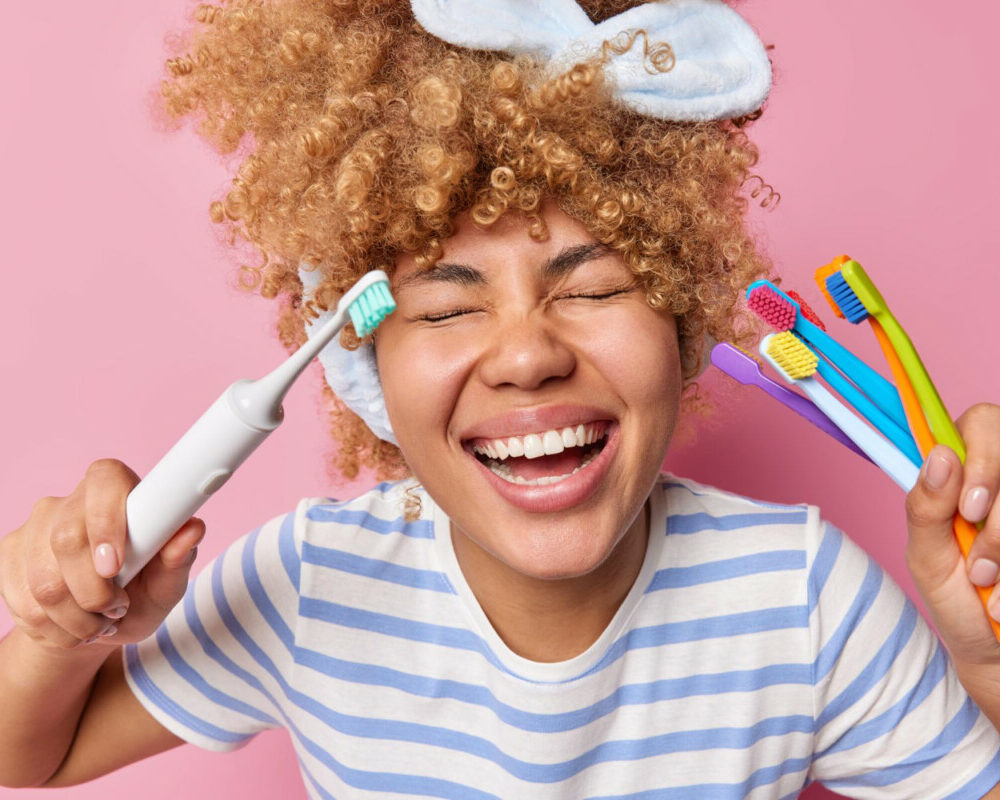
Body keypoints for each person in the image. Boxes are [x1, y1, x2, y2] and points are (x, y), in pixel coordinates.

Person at [2, 0, 1000, 796]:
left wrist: (989, 670)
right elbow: (30, 754)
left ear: (685, 319)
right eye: (443, 307)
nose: (525, 355)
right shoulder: (310, 584)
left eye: (596, 285)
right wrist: (56, 629)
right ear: (366, 365)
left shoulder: (801, 598)